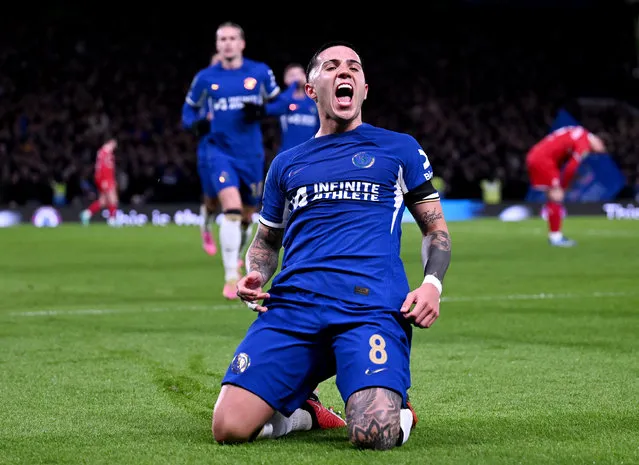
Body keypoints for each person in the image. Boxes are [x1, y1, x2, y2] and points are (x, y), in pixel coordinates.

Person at [212, 41, 452, 451]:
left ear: (363, 88)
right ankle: (303, 413)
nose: (345, 73)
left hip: (369, 307)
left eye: (354, 68)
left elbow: (436, 231)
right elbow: (267, 241)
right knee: (228, 428)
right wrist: (256, 272)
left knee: (373, 435)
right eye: (333, 67)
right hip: (294, 307)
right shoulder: (287, 163)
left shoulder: (398, 149)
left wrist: (432, 283)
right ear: (311, 89)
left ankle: (400, 408)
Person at [182, 22, 281, 298]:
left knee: (249, 217)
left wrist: (262, 110)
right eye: (222, 39)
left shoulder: (259, 72)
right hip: (218, 151)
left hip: (250, 155)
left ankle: (236, 255)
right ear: (217, 45)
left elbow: (278, 102)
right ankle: (229, 275)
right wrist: (197, 124)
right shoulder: (205, 78)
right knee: (232, 209)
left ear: (242, 43)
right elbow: (188, 111)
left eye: (232, 38)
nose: (227, 43)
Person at [525, 125, 606, 247]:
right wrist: (564, 186)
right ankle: (556, 238)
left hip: (536, 155)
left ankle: (554, 235)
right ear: (599, 141)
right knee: (557, 196)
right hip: (544, 160)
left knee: (552, 197)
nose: (592, 152)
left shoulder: (579, 131)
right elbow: (571, 168)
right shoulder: (584, 143)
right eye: (596, 150)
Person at [196, 52, 222, 256]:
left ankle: (234, 255)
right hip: (209, 151)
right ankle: (206, 228)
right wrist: (206, 118)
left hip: (237, 152)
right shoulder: (202, 95)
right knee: (212, 201)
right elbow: (190, 122)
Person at [263, 63, 320, 154]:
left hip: (310, 153)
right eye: (292, 75)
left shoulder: (313, 102)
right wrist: (293, 86)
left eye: (299, 74)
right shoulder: (283, 100)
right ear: (285, 79)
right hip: (287, 153)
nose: (296, 78)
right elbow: (270, 109)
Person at [80, 138, 119, 226]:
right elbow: (101, 168)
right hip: (105, 179)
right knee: (113, 199)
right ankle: (112, 220)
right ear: (109, 142)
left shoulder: (106, 153)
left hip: (107, 179)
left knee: (103, 201)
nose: (114, 146)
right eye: (113, 143)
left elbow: (109, 169)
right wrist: (104, 180)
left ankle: (86, 214)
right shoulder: (104, 153)